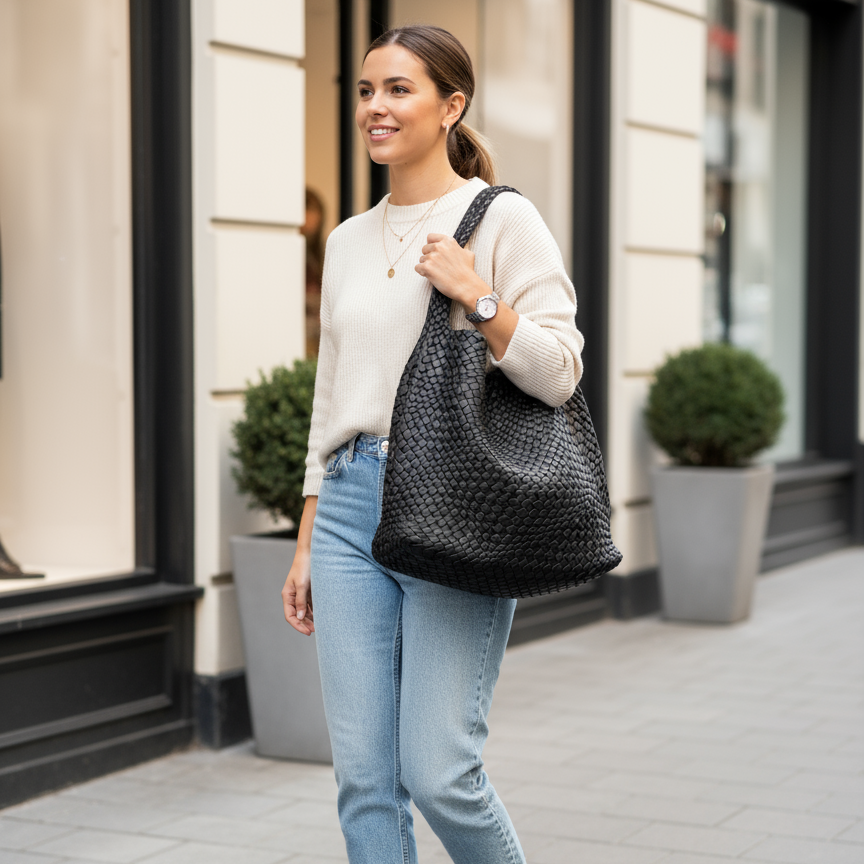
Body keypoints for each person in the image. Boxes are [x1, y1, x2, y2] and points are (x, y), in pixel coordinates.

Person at [281, 24, 583, 864]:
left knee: (441, 772)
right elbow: (330, 397)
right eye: (366, 90)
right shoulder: (346, 240)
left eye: (398, 89)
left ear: (452, 106)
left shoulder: (503, 219)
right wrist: (306, 537)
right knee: (365, 782)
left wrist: (477, 297)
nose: (375, 107)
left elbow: (560, 372)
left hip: (456, 504)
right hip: (348, 511)